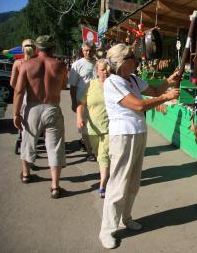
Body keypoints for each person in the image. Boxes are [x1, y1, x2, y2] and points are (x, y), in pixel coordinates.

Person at [99, 44, 180, 249]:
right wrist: (165, 97)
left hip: (138, 132)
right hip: (123, 135)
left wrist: (168, 81)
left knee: (133, 182)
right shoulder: (113, 82)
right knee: (117, 185)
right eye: (131, 57)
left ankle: (125, 218)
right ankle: (107, 230)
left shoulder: (133, 78)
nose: (136, 59)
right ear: (121, 62)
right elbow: (138, 105)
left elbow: (153, 90)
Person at [13, 35, 67, 199]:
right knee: (55, 146)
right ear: (52, 48)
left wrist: (15, 113)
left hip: (32, 107)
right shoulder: (60, 65)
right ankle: (55, 186)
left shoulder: (27, 65)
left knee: (28, 141)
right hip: (52, 107)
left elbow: (18, 90)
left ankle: (25, 174)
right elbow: (63, 85)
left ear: (37, 48)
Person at [76, 59, 110, 198]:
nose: (105, 72)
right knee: (98, 154)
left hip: (110, 127)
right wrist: (79, 117)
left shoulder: (114, 85)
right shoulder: (90, 85)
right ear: (96, 71)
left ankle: (103, 184)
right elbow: (81, 103)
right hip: (93, 128)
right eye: (102, 69)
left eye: (107, 69)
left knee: (104, 155)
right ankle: (107, 175)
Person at [10, 39, 38, 170]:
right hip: (33, 98)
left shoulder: (18, 63)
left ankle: (27, 162)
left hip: (23, 97)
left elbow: (12, 83)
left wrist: (20, 88)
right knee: (33, 129)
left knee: (25, 131)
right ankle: (29, 157)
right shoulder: (38, 63)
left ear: (22, 49)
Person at [69, 41, 96, 161]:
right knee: (84, 127)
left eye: (90, 50)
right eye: (86, 50)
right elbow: (73, 86)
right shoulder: (77, 65)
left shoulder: (99, 64)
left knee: (96, 125)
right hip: (82, 102)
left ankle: (94, 148)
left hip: (97, 101)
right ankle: (90, 152)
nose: (88, 53)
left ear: (94, 50)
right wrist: (74, 102)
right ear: (82, 51)